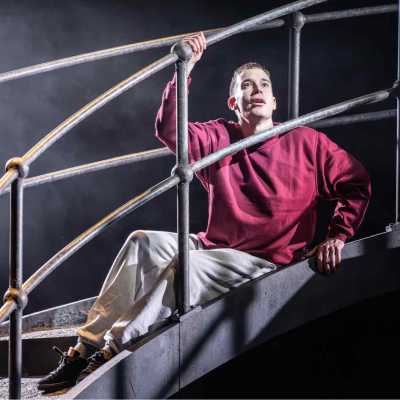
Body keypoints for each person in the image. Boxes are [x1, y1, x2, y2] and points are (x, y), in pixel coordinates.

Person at [37, 32, 371, 393]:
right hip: (213, 245)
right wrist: (185, 70)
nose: (256, 90)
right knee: (142, 243)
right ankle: (81, 350)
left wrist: (337, 234)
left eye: (263, 85)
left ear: (275, 101)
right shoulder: (220, 136)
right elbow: (169, 131)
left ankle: (111, 354)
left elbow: (357, 182)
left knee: (188, 267)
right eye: (247, 85)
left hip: (262, 260)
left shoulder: (306, 143)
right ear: (234, 101)